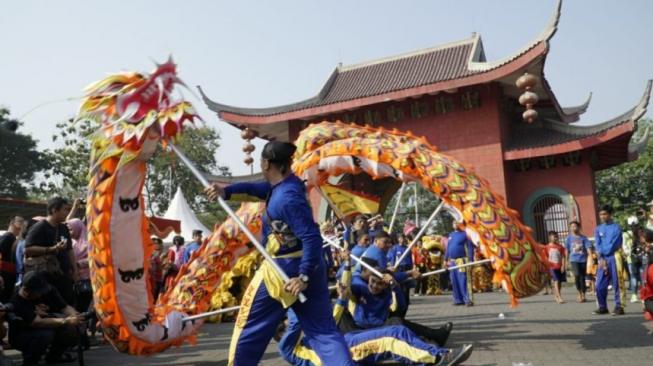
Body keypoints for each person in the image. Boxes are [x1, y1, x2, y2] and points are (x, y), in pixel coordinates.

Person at [205, 141, 354, 366]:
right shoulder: (287, 185)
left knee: (247, 329)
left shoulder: (287, 198)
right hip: (309, 270)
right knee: (324, 333)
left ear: (266, 163)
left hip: (284, 273)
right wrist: (226, 191)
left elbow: (312, 237)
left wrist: (302, 276)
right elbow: (258, 188)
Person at [9, 271, 83, 366]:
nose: (41, 294)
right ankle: (30, 361)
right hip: (22, 335)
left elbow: (64, 307)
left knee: (71, 330)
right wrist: (66, 321)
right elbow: (37, 322)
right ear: (27, 291)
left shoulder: (48, 289)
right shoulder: (17, 300)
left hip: (44, 326)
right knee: (45, 335)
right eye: (38, 292)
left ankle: (54, 357)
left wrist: (76, 316)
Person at [23, 197, 76, 305]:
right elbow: (28, 249)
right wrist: (52, 249)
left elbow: (69, 250)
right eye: (65, 209)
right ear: (54, 210)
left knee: (66, 304)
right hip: (46, 278)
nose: (67, 213)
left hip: (63, 276)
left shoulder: (63, 228)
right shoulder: (39, 227)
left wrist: (75, 270)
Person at [593, 205, 624, 315]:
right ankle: (602, 307)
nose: (602, 216)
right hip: (602, 259)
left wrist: (604, 254)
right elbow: (597, 244)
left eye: (605, 214)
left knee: (617, 283)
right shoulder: (598, 229)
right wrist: (601, 258)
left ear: (610, 214)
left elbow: (614, 244)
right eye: (601, 214)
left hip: (614, 257)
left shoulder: (617, 228)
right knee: (599, 285)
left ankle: (619, 306)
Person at [444, 222, 474, 306]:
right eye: (454, 223)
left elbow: (470, 247)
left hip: (461, 261)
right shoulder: (451, 235)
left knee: (463, 280)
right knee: (454, 281)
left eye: (457, 223)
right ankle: (458, 300)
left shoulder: (465, 234)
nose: (455, 225)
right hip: (452, 262)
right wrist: (445, 260)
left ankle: (467, 299)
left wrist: (471, 260)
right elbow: (448, 248)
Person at [564, 221, 592, 302]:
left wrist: (591, 257)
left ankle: (583, 294)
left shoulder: (584, 238)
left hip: (583, 259)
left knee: (582, 277)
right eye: (572, 226)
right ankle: (579, 292)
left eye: (575, 226)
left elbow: (588, 247)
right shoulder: (569, 238)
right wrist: (566, 260)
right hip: (574, 259)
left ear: (578, 227)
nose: (573, 228)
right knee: (576, 275)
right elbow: (567, 250)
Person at [0, 216, 25, 302]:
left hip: (9, 274)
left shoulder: (12, 238)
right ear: (13, 223)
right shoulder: (8, 237)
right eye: (20, 222)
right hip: (4, 273)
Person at [623, 216, 644, 303]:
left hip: (638, 258)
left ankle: (640, 295)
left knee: (639, 277)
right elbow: (624, 246)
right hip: (632, 259)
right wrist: (629, 252)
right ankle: (636, 295)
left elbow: (624, 247)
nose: (634, 227)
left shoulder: (640, 233)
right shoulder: (626, 235)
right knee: (637, 277)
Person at [545, 231, 567, 304]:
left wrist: (563, 266)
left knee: (559, 282)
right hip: (552, 267)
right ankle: (559, 297)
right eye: (554, 236)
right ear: (550, 237)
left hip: (559, 266)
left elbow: (563, 257)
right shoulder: (547, 247)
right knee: (556, 281)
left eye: (556, 236)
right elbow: (545, 257)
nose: (555, 238)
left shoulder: (560, 247)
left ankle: (557, 295)